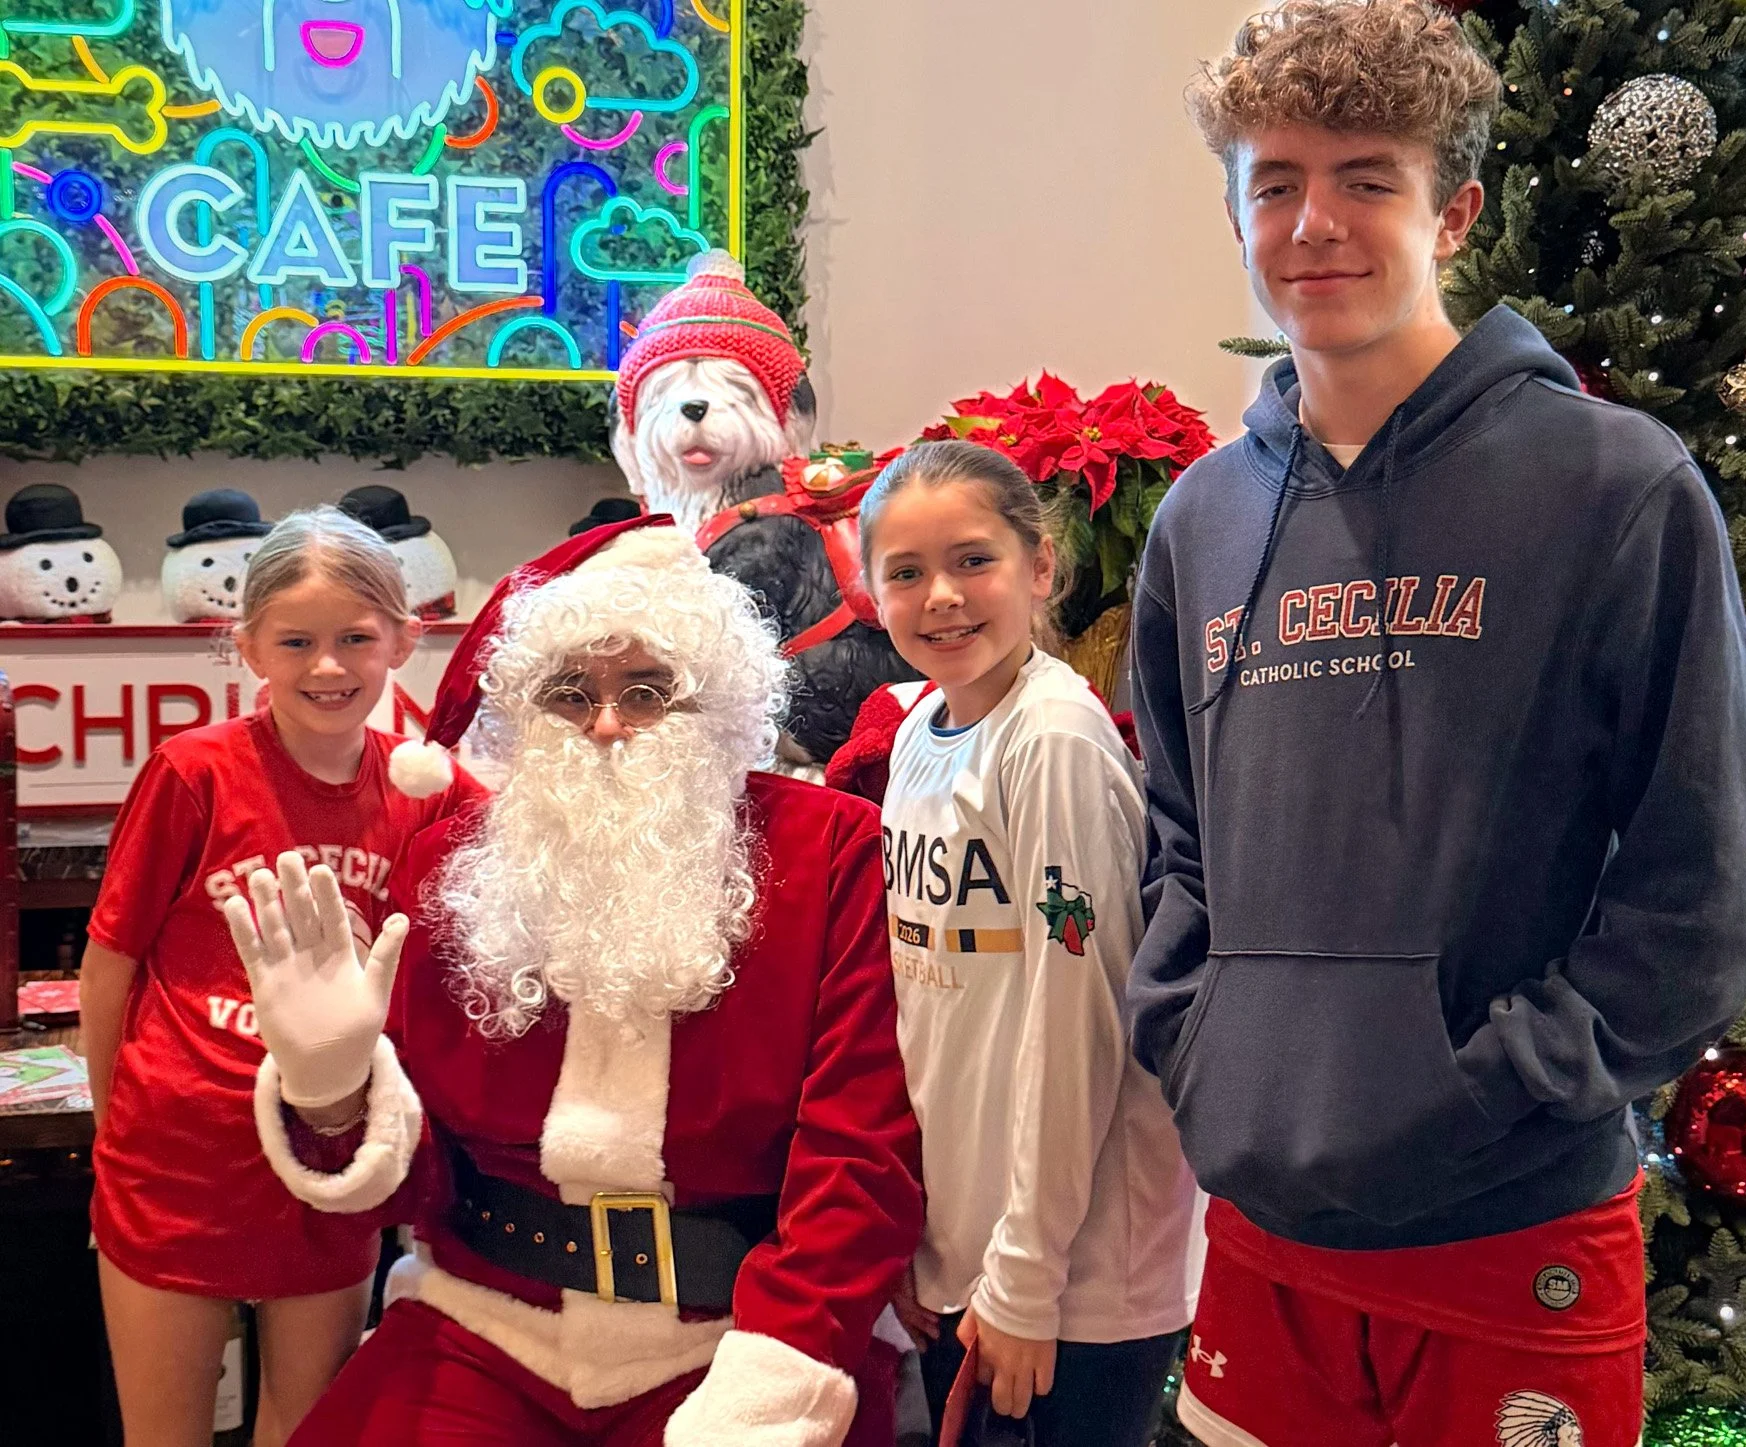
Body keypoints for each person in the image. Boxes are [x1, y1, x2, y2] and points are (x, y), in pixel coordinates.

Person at [1126, 5, 1746, 1446]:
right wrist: (1194, 1042)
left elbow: (1706, 891)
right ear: (1236, 208)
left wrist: (1484, 1085)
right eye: (1276, 181)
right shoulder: (1200, 518)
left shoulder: (1617, 488)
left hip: (1510, 1234)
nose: (1316, 223)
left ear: (1456, 207)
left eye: (1368, 177)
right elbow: (1175, 841)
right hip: (1262, 1232)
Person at [225, 513, 925, 1447]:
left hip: (736, 1339)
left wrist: (769, 1378)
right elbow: (416, 1186)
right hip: (486, 1325)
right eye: (568, 692)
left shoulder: (826, 849)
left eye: (646, 691)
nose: (604, 723)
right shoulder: (452, 865)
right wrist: (330, 1096)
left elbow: (863, 1147)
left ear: (712, 700)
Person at [80, 506, 484, 1447]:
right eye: (297, 641)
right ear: (250, 647)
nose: (328, 667)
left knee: (307, 1430)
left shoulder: (431, 791)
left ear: (404, 639)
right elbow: (110, 966)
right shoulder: (193, 773)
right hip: (175, 1163)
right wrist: (114, 1132)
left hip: (331, 1168)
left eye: (356, 638)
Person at [861, 440, 1196, 1447]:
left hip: (1071, 1277)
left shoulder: (1049, 740)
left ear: (1039, 567)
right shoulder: (923, 729)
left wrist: (1022, 1274)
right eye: (905, 572)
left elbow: (1076, 1021)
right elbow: (928, 1010)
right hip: (972, 1253)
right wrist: (925, 1243)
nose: (942, 598)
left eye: (973, 560)